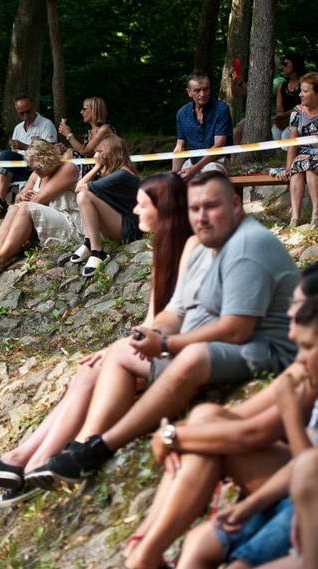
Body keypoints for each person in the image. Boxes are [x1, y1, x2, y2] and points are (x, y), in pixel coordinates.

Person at [0, 173, 197, 508]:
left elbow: (178, 323)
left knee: (100, 366)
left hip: (177, 352)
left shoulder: (190, 249)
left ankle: (35, 462)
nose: (135, 212)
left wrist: (120, 348)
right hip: (159, 347)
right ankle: (23, 460)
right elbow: (154, 319)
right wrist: (117, 347)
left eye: (142, 205)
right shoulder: (165, 248)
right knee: (85, 372)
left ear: (163, 208)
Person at [39, 171, 299, 487]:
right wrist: (150, 335)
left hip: (270, 351)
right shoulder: (205, 244)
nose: (201, 217)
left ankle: (98, 446)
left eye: (211, 207)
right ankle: (80, 447)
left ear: (235, 205)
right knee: (122, 350)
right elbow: (173, 311)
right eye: (195, 209)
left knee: (191, 358)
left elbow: (235, 330)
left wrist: (166, 346)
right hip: (234, 345)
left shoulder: (249, 245)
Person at [119, 266, 318, 569]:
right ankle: (143, 550)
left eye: (297, 304)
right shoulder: (305, 363)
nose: (290, 313)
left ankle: (143, 555)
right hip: (294, 475)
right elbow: (233, 418)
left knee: (203, 434)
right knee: (205, 416)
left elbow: (252, 435)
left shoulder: (307, 366)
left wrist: (173, 437)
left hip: (304, 489)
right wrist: (175, 433)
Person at [171, 296, 318, 569]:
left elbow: (308, 470)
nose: (299, 358)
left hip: (308, 504)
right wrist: (250, 506)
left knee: (241, 565)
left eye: (307, 347)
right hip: (294, 492)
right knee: (197, 543)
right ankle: (144, 551)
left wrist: (290, 415)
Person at [0, 140, 81, 278]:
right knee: (14, 209)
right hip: (44, 222)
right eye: (31, 167)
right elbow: (18, 199)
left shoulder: (68, 168)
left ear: (48, 160)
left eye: (37, 167)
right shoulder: (35, 175)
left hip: (68, 221)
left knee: (24, 207)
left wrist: (24, 200)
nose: (34, 171)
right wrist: (22, 195)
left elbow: (39, 199)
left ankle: (0, 260)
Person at [0, 94, 58, 213]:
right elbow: (12, 154)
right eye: (22, 113)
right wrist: (0, 155)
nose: (26, 116)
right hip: (15, 169)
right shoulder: (18, 128)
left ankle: (0, 199)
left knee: (7, 155)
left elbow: (50, 152)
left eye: (28, 111)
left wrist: (24, 146)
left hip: (34, 170)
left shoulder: (46, 124)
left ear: (34, 107)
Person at [68, 135, 142, 277]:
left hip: (130, 230)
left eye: (98, 152)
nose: (95, 156)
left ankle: (97, 251)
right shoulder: (120, 172)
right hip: (122, 225)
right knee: (84, 195)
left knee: (84, 195)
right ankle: (89, 243)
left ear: (106, 154)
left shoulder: (121, 175)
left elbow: (79, 187)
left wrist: (97, 166)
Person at [172, 72, 234, 182]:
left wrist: (194, 170)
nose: (202, 94)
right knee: (177, 183)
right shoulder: (182, 113)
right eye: (197, 91)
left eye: (206, 89)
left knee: (210, 180)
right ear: (189, 92)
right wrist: (173, 175)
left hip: (216, 161)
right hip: (191, 162)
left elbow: (219, 145)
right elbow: (180, 147)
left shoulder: (221, 109)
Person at [276, 72, 318, 227]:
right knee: (297, 167)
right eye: (301, 90)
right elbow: (293, 142)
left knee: (310, 168)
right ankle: (295, 218)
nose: (300, 94)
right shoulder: (296, 112)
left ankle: (316, 216)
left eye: (305, 91)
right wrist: (288, 168)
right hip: (305, 153)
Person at [58, 96, 116, 179]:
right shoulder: (90, 132)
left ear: (94, 111)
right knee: (60, 156)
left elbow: (86, 151)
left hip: (104, 171)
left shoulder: (104, 129)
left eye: (85, 109)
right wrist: (65, 148)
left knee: (69, 153)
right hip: (93, 168)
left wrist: (68, 135)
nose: (81, 112)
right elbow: (85, 153)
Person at [273, 53, 307, 140]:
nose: (282, 67)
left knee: (286, 135)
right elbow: (279, 107)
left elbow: (305, 105)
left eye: (285, 64)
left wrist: (288, 114)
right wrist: (280, 115)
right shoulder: (282, 85)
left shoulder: (305, 84)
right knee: (274, 133)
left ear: (295, 64)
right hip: (285, 120)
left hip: (301, 119)